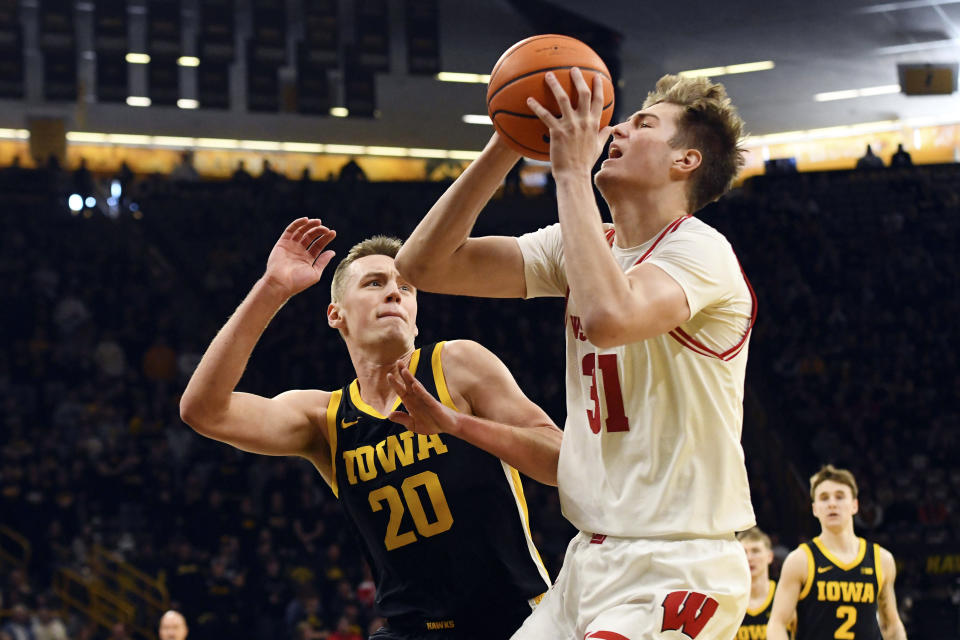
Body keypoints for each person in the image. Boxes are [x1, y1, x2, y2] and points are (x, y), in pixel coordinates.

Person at [394, 69, 756, 638]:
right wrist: (507, 144)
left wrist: (568, 173)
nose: (616, 129)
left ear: (684, 161)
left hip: (677, 564)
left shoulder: (701, 250)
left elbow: (611, 320)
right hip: (589, 560)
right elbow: (423, 266)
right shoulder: (584, 246)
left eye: (643, 124)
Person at [179, 218, 559, 639]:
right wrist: (273, 288)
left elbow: (562, 460)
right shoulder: (325, 417)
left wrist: (457, 425)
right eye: (374, 283)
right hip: (409, 629)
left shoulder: (457, 366)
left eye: (406, 288)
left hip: (518, 622)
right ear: (335, 314)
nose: (395, 291)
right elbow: (204, 411)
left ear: (415, 320)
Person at [766, 465, 907, 640]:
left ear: (855, 505)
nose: (832, 503)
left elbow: (891, 626)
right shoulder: (800, 560)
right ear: (815, 509)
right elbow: (777, 624)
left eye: (840, 497)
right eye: (824, 498)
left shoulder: (881, 559)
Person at [737, 527, 790, 640]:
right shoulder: (730, 600)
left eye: (755, 551)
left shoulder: (785, 596)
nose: (749, 557)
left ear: (770, 556)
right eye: (743, 552)